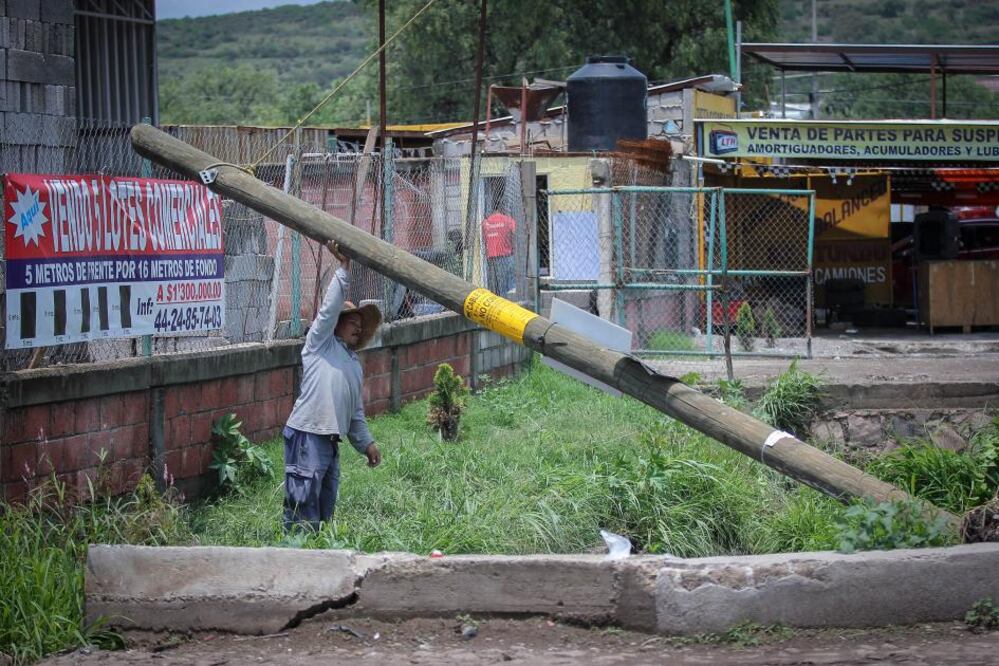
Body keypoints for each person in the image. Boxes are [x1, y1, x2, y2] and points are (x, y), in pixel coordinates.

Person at [283, 241, 382, 532]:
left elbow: (355, 412)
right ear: (336, 324)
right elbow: (327, 312)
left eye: (360, 325)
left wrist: (367, 444)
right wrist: (344, 270)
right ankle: (297, 553)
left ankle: (319, 551)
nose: (358, 327)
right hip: (307, 435)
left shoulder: (352, 364)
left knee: (325, 501)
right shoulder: (318, 345)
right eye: (352, 321)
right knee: (303, 502)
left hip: (328, 441)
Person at [482, 210, 516, 295]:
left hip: (495, 257)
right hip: (508, 255)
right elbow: (515, 233)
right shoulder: (508, 220)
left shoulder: (486, 223)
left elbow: (484, 239)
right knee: (511, 283)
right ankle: (513, 301)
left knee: (501, 284)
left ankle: (504, 302)